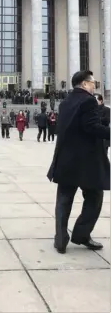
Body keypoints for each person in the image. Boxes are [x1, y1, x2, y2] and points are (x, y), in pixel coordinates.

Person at [47, 70, 110, 254]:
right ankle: (82, 233)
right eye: (92, 82)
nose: (94, 85)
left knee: (63, 201)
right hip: (86, 162)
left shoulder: (66, 101)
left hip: (66, 160)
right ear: (84, 84)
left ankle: (61, 239)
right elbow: (91, 127)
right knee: (94, 197)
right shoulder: (88, 100)